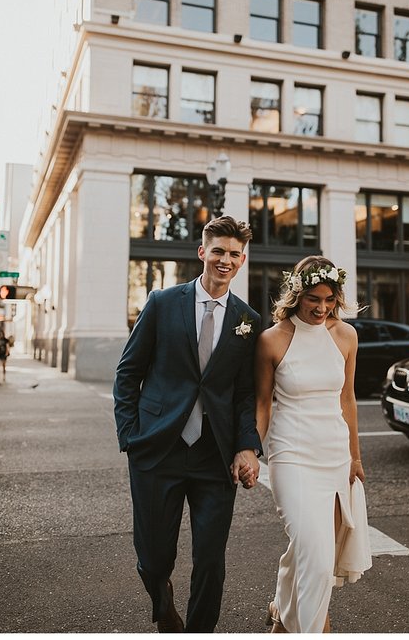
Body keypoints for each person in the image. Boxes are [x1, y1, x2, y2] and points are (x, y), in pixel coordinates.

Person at [113, 215, 262, 633]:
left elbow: (245, 392)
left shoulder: (248, 320)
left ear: (243, 259)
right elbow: (128, 373)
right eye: (218, 251)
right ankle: (163, 605)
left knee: (212, 560)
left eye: (234, 254)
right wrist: (129, 436)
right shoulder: (163, 303)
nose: (225, 260)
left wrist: (246, 445)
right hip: (158, 448)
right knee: (155, 557)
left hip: (214, 455)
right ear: (202, 252)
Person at [255, 256, 371, 633]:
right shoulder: (272, 340)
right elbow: (262, 405)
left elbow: (348, 399)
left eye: (329, 300)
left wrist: (355, 457)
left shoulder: (346, 336)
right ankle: (314, 629)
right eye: (313, 299)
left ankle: (281, 611)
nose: (322, 308)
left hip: (335, 457)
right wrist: (251, 452)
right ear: (297, 294)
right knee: (318, 561)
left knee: (310, 550)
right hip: (291, 456)